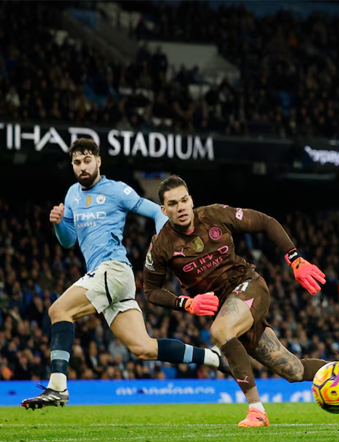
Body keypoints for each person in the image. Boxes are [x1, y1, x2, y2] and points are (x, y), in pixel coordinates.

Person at [142, 175, 339, 427]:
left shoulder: (214, 215)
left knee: (220, 331)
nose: (180, 207)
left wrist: (295, 259)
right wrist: (186, 303)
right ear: (163, 209)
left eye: (184, 200)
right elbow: (151, 291)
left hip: (248, 286)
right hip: (228, 309)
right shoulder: (161, 246)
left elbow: (265, 222)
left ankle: (256, 410)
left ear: (191, 200)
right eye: (173, 204)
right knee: (294, 370)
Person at [21, 139, 224, 410]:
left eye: (87, 160)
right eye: (77, 162)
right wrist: (59, 224)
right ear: (72, 165)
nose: (83, 166)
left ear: (98, 161)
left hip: (113, 270)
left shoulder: (116, 190)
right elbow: (69, 241)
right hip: (105, 276)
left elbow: (154, 210)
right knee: (144, 348)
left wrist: (168, 244)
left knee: (59, 311)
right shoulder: (71, 195)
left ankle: (57, 386)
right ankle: (212, 358)